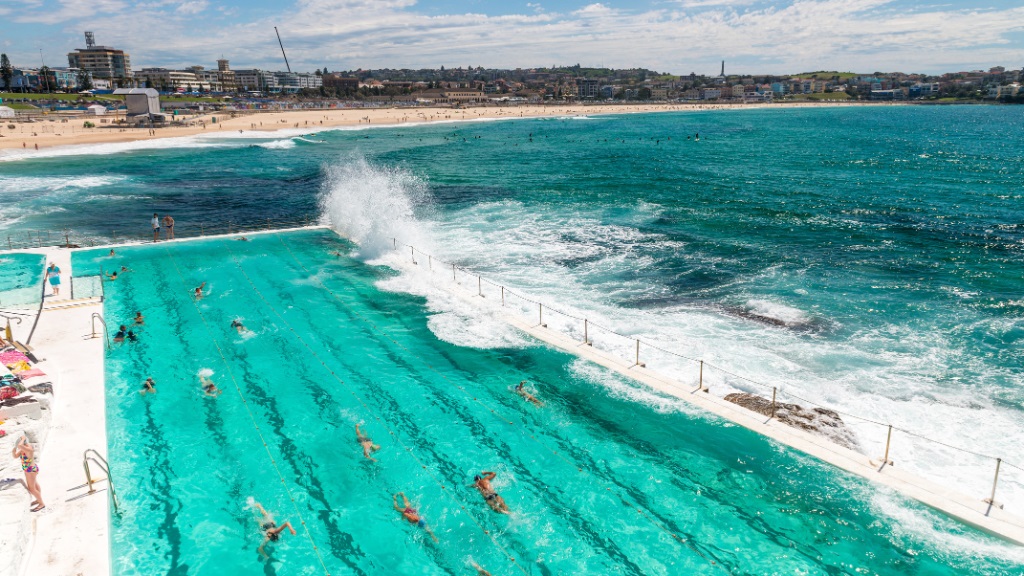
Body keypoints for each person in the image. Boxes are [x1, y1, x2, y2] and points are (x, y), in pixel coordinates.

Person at [12, 436, 44, 512]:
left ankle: (41, 503)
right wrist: (13, 451)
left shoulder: (29, 449)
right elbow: (16, 456)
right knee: (35, 485)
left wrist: (22, 438)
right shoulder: (24, 448)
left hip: (30, 470)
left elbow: (20, 445)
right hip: (29, 470)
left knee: (32, 489)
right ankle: (38, 499)